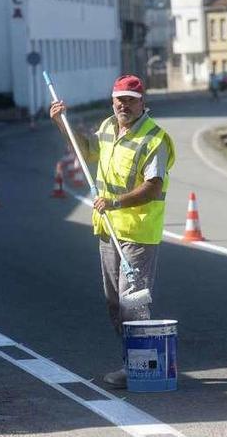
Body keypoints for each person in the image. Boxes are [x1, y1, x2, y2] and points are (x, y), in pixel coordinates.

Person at [49, 75, 175, 389]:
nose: (124, 104)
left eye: (131, 99)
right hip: (108, 229)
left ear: (142, 102)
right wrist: (62, 124)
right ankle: (136, 362)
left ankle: (142, 367)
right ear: (112, 100)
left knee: (131, 302)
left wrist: (116, 202)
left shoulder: (154, 138)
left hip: (137, 232)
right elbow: (86, 150)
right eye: (120, 98)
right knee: (114, 303)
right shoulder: (107, 128)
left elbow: (153, 186)